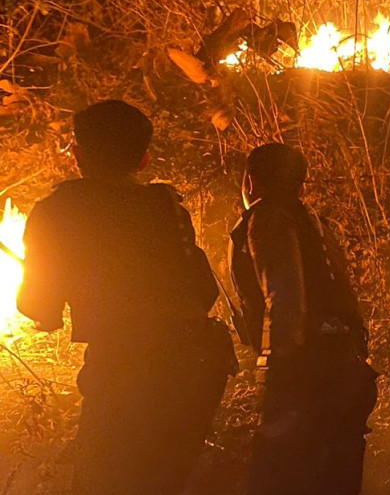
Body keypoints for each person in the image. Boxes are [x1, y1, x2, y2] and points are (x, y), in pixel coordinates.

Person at [17, 100, 235, 495]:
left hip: (123, 371)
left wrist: (48, 310)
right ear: (144, 158)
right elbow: (203, 290)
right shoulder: (168, 206)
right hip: (193, 370)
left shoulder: (56, 210)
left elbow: (38, 306)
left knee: (105, 479)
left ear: (78, 155)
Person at [230, 142, 378, 495]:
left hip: (306, 376)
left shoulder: (268, 217)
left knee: (278, 480)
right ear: (301, 187)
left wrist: (278, 370)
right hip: (349, 369)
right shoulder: (315, 223)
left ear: (249, 182)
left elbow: (285, 296)